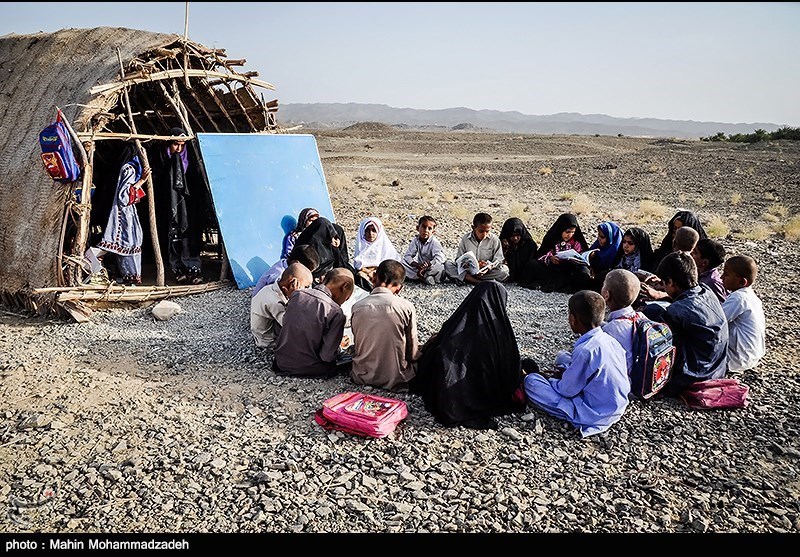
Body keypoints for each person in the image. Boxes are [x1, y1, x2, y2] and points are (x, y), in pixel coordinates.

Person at [410, 281, 525, 429]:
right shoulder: (500, 337)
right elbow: (510, 373)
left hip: (444, 396)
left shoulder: (454, 325)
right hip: (481, 395)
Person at [522, 290, 630, 438]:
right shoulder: (611, 340)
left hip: (594, 413)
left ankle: (571, 412)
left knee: (531, 382)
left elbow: (566, 390)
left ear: (573, 319)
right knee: (562, 357)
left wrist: (554, 380)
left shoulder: (585, 351)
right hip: (617, 404)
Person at [647, 252, 728, 396]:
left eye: (664, 283)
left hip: (694, 377)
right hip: (718, 368)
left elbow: (662, 347)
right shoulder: (706, 291)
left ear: (671, 282)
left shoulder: (676, 311)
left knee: (650, 318)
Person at [350, 260, 421, 391]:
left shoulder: (356, 307)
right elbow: (412, 353)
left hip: (361, 376)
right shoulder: (406, 307)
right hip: (396, 379)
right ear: (399, 288)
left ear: (374, 277)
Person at [273, 268, 355, 378]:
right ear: (344, 286)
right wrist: (338, 346)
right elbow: (327, 356)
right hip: (310, 369)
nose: (344, 301)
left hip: (281, 363)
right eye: (347, 298)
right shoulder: (335, 312)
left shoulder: (296, 295)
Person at [150, 127, 205, 284]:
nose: (179, 149)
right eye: (175, 145)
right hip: (168, 207)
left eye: (182, 145)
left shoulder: (192, 164)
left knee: (190, 236)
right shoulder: (160, 160)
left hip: (189, 208)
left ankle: (193, 269)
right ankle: (177, 269)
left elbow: (198, 187)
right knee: (172, 236)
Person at [94, 143, 151, 285]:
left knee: (117, 243)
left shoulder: (117, 167)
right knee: (129, 242)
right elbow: (124, 197)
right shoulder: (129, 169)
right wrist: (141, 182)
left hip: (113, 212)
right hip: (124, 214)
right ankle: (131, 276)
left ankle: (121, 275)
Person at [250, 262, 313, 349]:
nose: (307, 290)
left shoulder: (271, 288)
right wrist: (295, 298)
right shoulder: (275, 301)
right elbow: (290, 324)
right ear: (293, 283)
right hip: (267, 340)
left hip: (266, 327)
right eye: (306, 286)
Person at [721, 255, 766, 374]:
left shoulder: (739, 297)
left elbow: (716, 320)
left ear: (742, 282)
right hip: (753, 355)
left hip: (737, 359)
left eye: (726, 274)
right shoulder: (751, 296)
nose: (721, 277)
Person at [531, 213, 592, 293]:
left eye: (572, 232)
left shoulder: (576, 242)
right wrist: (550, 258)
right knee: (532, 264)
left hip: (571, 270)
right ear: (561, 229)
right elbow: (541, 254)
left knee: (584, 271)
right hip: (555, 269)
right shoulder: (551, 239)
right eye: (567, 232)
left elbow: (581, 253)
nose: (569, 235)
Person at [444, 212, 509, 285]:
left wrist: (487, 267)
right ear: (473, 228)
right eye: (481, 231)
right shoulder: (466, 239)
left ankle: (466, 279)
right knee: (448, 264)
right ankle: (478, 282)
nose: (484, 234)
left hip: (486, 272)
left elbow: (498, 259)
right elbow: (459, 259)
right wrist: (467, 265)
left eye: (487, 231)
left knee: (504, 270)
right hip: (469, 271)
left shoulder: (494, 240)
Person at [600, 269, 644, 374]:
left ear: (607, 295)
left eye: (603, 285)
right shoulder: (641, 317)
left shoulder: (609, 330)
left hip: (626, 382)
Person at [251, 244, 320, 297]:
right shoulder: (278, 276)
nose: (307, 274)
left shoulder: (285, 263)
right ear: (296, 263)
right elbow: (275, 300)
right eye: (306, 271)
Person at [352, 216, 401, 286]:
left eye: (374, 230)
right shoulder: (361, 245)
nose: (370, 233)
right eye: (367, 230)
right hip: (365, 273)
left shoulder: (384, 245)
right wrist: (368, 271)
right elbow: (358, 266)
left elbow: (391, 264)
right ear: (363, 231)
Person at [401, 215, 446, 285]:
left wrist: (429, 264)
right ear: (417, 228)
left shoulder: (435, 242)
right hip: (420, 267)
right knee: (402, 263)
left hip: (430, 267)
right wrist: (416, 265)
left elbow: (439, 258)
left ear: (433, 232)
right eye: (423, 227)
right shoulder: (416, 241)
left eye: (429, 228)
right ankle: (426, 278)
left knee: (440, 267)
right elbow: (408, 256)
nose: (426, 230)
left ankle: (423, 277)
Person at [499, 217, 539, 287]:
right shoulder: (501, 243)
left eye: (518, 235)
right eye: (512, 235)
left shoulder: (530, 245)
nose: (515, 238)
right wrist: (505, 249)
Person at [691, 238, 728, 304]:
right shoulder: (699, 273)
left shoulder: (712, 282)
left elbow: (723, 305)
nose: (691, 254)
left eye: (695, 253)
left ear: (705, 262)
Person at [588, 221, 623, 288]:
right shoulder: (597, 245)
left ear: (610, 237)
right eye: (598, 235)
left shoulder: (616, 250)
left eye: (602, 237)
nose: (599, 239)